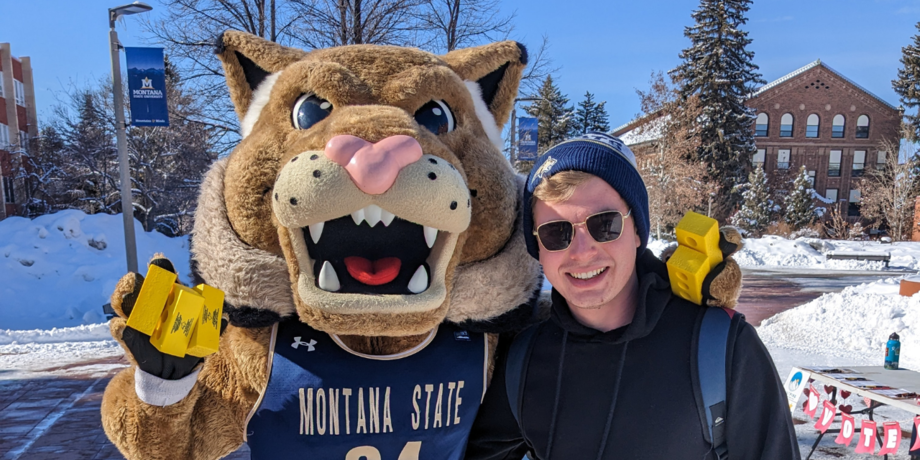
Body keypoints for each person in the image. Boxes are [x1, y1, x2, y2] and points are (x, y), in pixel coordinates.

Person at [464, 133, 800, 460]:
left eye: (604, 225)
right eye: (556, 232)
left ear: (638, 231)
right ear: (537, 247)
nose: (582, 252)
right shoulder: (524, 359)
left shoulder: (720, 346)